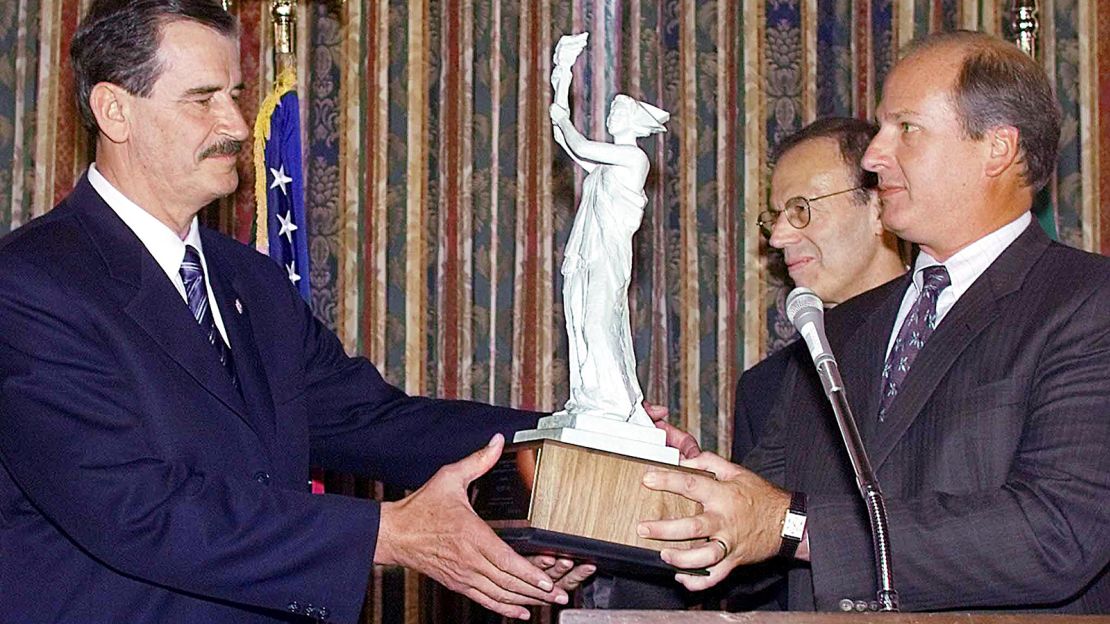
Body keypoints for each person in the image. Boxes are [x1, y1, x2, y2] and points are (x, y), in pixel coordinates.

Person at [0, 1, 595, 622]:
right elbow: (133, 509)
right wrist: (386, 533)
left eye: (235, 93)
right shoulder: (30, 285)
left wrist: (580, 443)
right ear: (114, 110)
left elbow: (376, 422)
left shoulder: (250, 282)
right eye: (203, 99)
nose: (235, 123)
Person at [639, 30, 1110, 613]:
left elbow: (1055, 533)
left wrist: (793, 528)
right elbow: (757, 551)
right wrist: (684, 486)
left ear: (997, 148)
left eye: (905, 128)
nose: (873, 156)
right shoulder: (835, 331)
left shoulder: (1088, 303)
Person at [591, 117, 908, 610]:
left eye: (801, 210)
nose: (778, 237)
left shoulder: (964, 331)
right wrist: (672, 482)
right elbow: (754, 575)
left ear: (880, 207)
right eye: (775, 216)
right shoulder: (770, 385)